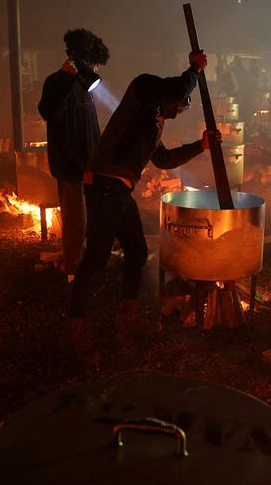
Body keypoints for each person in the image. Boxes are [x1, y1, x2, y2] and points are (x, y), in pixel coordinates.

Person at [67, 51, 217, 350]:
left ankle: (127, 317)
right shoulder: (144, 88)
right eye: (181, 104)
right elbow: (177, 88)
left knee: (136, 252)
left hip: (118, 190)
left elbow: (162, 159)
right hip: (104, 184)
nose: (180, 109)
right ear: (172, 94)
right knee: (96, 257)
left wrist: (200, 146)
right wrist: (194, 70)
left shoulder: (151, 125)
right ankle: (75, 327)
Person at [37, 28, 109, 277]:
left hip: (89, 165)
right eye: (95, 65)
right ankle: (74, 272)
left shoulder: (84, 88)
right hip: (71, 168)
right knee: (76, 222)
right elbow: (48, 112)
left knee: (89, 218)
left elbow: (90, 129)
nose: (96, 71)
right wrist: (67, 78)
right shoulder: (57, 82)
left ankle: (87, 263)